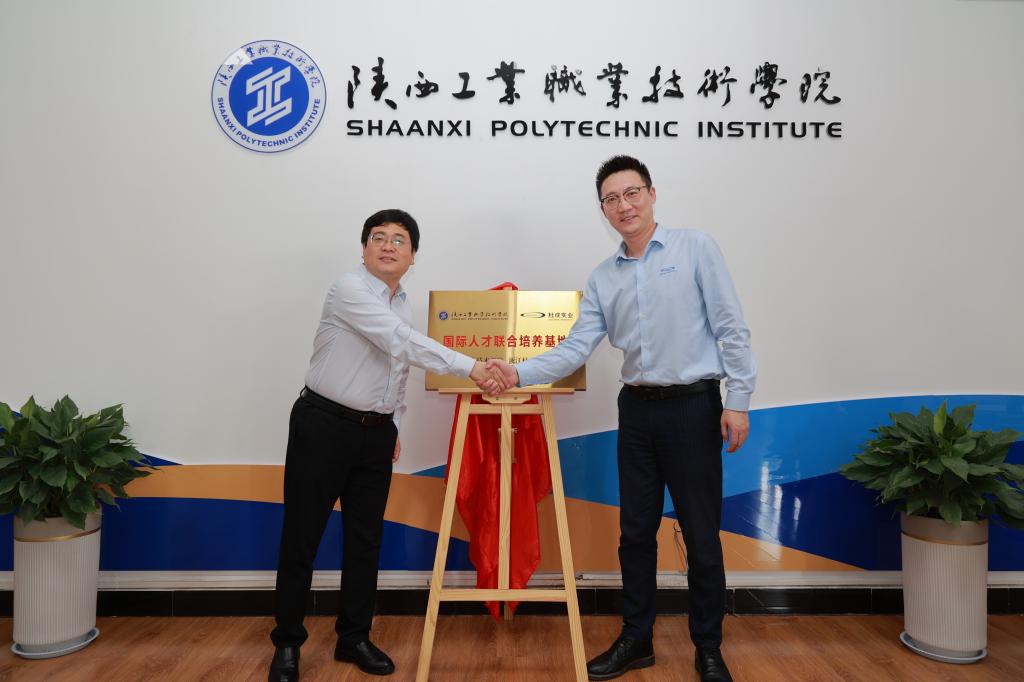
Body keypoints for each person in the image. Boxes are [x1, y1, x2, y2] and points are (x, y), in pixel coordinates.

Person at [486, 156, 756, 682]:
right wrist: (517, 373)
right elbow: (575, 348)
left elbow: (731, 327)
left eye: (631, 193)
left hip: (693, 407)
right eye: (611, 199)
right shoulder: (603, 277)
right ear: (603, 210)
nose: (623, 206)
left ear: (651, 194)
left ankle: (708, 647)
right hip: (636, 412)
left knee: (701, 535)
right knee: (635, 533)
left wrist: (739, 400)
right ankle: (637, 639)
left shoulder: (695, 248)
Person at [268, 209, 508, 681]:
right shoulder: (349, 289)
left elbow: (396, 369)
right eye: (378, 237)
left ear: (413, 256)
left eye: (399, 239)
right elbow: (401, 342)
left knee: (365, 539)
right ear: (363, 249)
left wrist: (392, 424)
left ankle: (354, 637)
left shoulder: (402, 302)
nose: (388, 245)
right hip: (323, 425)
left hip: (374, 434)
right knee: (302, 536)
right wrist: (474, 367)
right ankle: (288, 644)